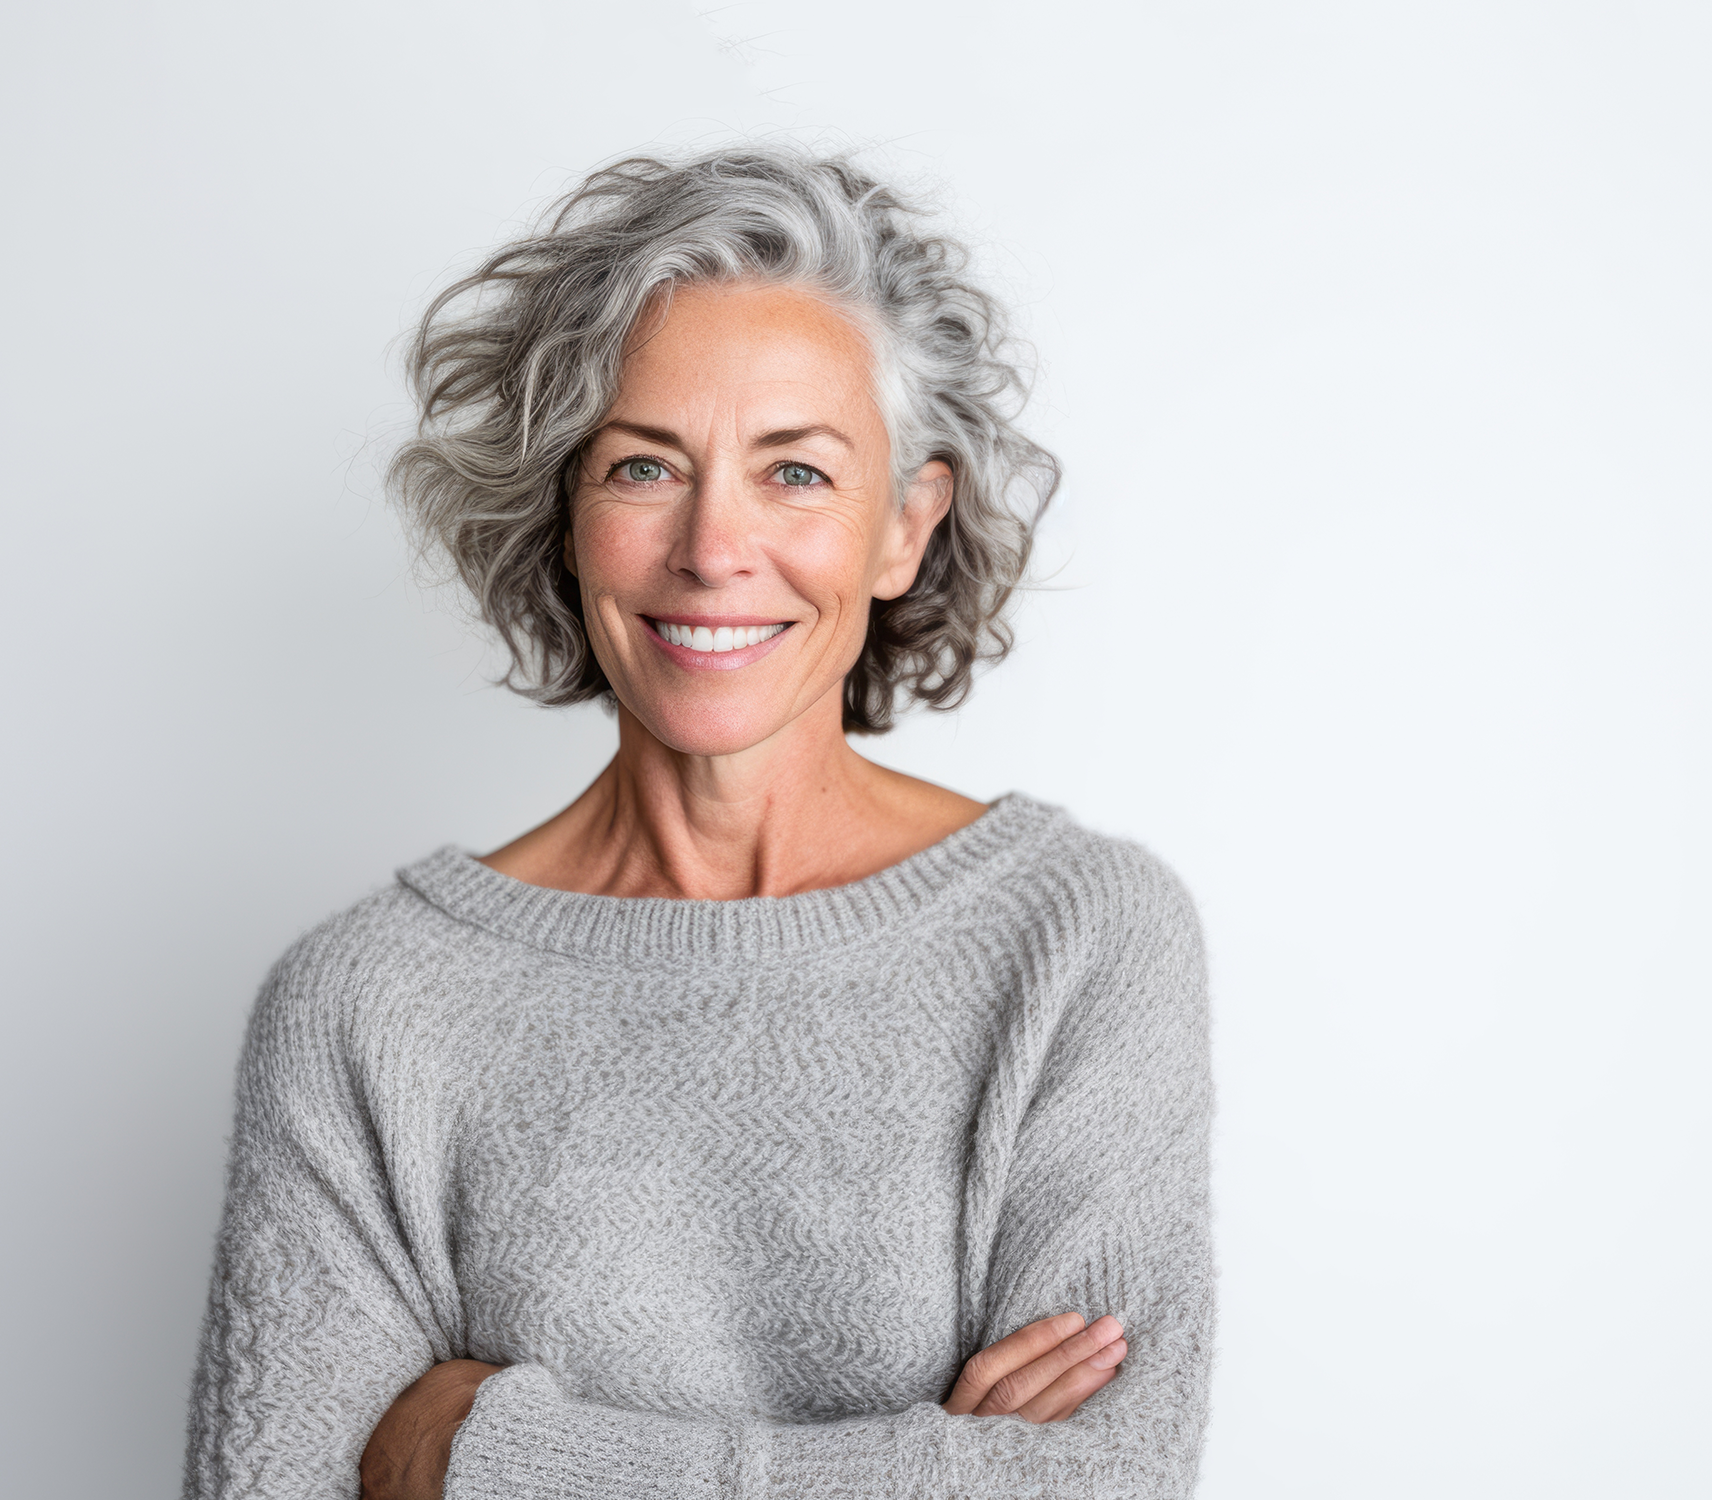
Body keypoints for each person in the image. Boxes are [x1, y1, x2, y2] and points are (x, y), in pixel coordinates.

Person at [180, 147, 1215, 1500]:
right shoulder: (368, 1005)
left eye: (795, 474)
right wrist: (934, 1467)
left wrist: (481, 1457)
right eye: (644, 468)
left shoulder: (1080, 942)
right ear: (563, 514)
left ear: (904, 526)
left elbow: (1106, 1485)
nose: (714, 549)